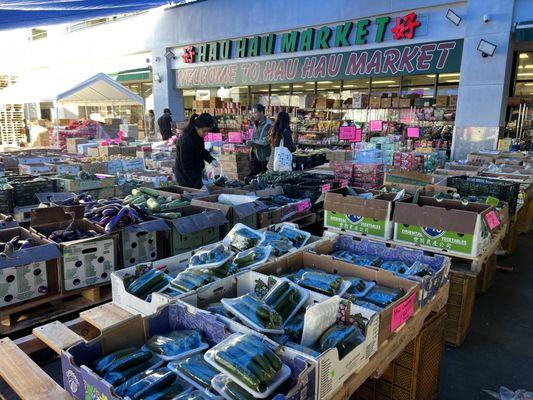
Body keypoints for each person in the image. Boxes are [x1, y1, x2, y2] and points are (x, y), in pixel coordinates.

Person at [175, 113, 220, 189]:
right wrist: (198, 184)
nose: (206, 134)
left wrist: (211, 160)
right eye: (204, 131)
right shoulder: (186, 140)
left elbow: (202, 150)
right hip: (186, 177)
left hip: (197, 171)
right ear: (196, 127)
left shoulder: (198, 135)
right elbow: (187, 165)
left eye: (207, 131)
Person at [249, 104, 272, 174]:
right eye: (253, 113)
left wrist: (253, 142)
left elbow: (266, 141)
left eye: (255, 113)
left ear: (262, 112)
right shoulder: (255, 123)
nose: (254, 115)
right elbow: (253, 137)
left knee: (263, 179)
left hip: (264, 157)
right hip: (255, 155)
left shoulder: (268, 125)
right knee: (254, 177)